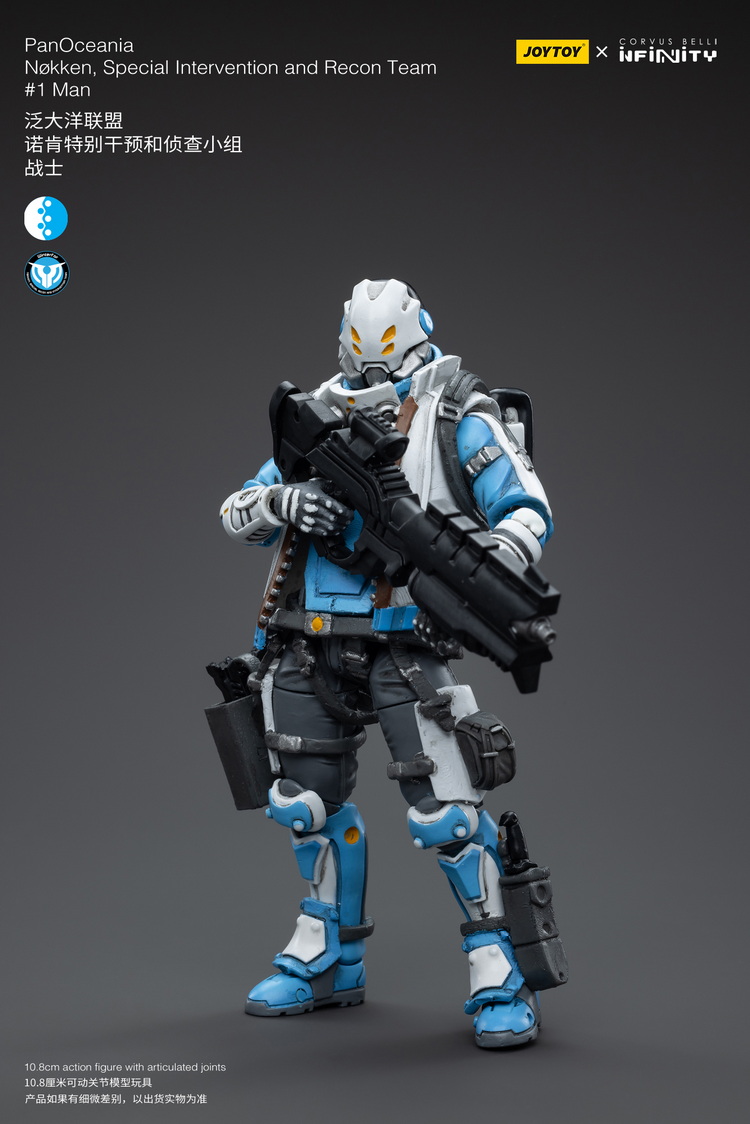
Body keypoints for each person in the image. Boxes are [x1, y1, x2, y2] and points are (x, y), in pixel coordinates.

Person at [217, 278, 566, 1047]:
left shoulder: (455, 414)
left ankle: (495, 966)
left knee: (448, 814)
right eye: (361, 366)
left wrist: (492, 563)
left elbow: (525, 506)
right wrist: (285, 502)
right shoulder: (317, 416)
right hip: (310, 642)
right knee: (303, 807)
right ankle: (329, 956)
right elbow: (237, 510)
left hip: (404, 644)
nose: (375, 383)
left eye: (389, 365)